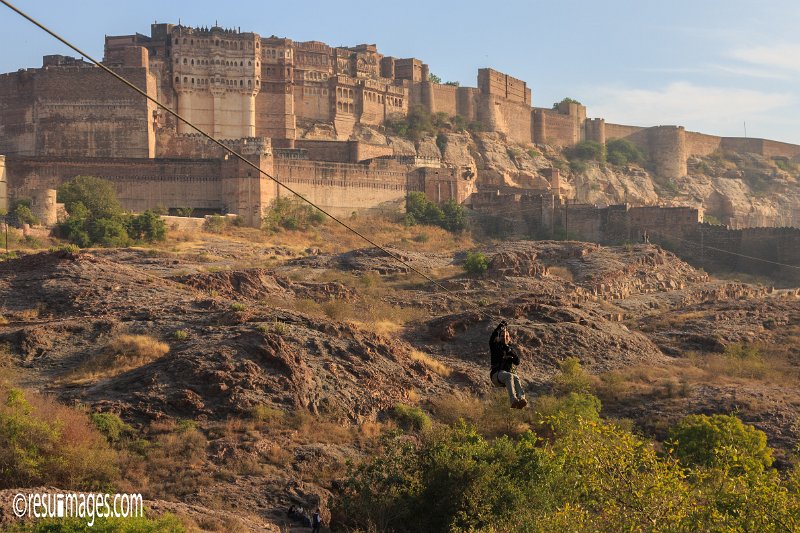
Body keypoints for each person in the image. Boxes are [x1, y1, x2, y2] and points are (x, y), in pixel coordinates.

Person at [489, 320, 527, 408]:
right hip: (496, 375)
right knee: (510, 375)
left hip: (506, 378)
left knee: (516, 377)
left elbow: (517, 362)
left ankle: (521, 399)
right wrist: (500, 326)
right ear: (498, 337)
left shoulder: (510, 349)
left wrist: (511, 353)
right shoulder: (495, 347)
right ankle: (513, 400)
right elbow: (492, 337)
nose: (504, 338)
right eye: (502, 336)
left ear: (509, 338)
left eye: (506, 336)